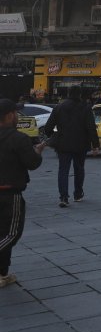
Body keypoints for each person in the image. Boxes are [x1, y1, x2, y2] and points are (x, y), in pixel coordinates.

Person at [0, 99, 43, 287]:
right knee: (11, 233)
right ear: (9, 115)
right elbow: (32, 163)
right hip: (10, 194)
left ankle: (2, 274)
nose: (18, 117)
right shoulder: (18, 138)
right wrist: (37, 152)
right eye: (16, 113)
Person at [39, 94, 100, 207]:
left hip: (63, 144)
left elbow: (48, 127)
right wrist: (95, 145)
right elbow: (91, 127)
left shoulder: (59, 107)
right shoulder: (86, 108)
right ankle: (77, 194)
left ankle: (63, 197)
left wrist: (53, 136)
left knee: (63, 170)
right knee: (79, 169)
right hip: (81, 144)